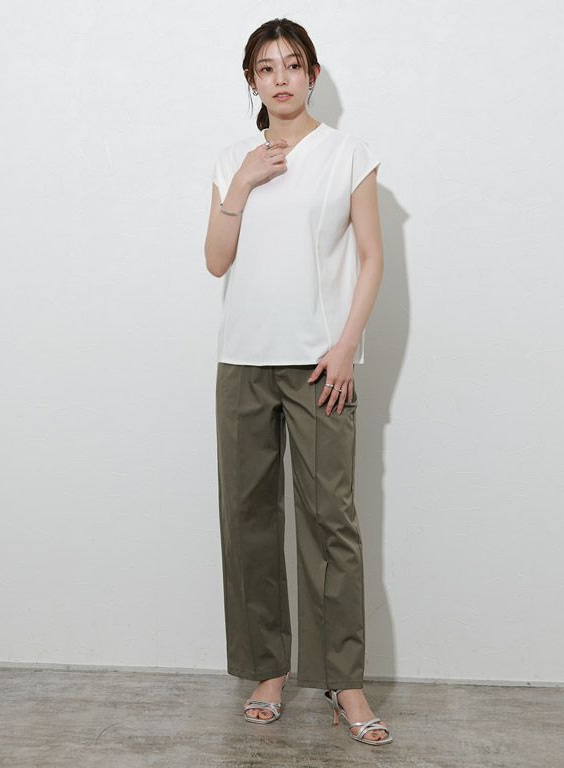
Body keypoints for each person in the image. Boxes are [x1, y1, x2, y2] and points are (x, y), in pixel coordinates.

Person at [204, 18, 392, 746]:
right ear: (251, 81)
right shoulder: (233, 159)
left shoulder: (349, 155)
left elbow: (371, 257)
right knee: (247, 519)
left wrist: (346, 348)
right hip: (243, 359)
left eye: (292, 64)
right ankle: (268, 671)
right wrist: (243, 183)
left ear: (312, 74)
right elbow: (217, 260)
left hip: (320, 364)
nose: (280, 78)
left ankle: (344, 681)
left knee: (330, 522)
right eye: (266, 67)